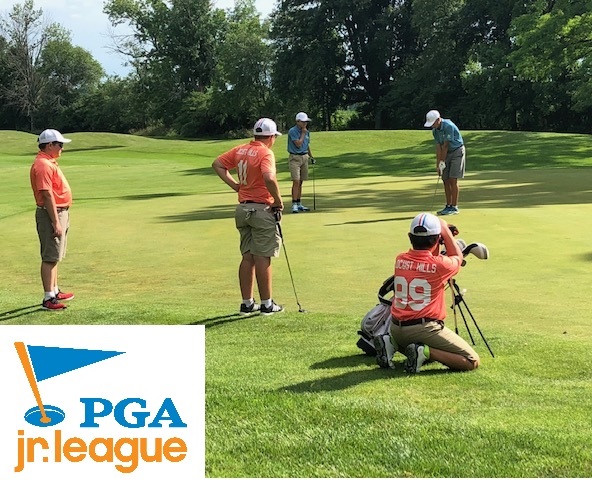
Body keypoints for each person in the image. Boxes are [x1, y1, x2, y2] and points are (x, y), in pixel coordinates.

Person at [387, 212, 480, 373]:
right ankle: (424, 351)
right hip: (424, 329)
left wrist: (439, 236)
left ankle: (391, 343)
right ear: (437, 239)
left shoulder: (400, 259)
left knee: (419, 347)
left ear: (410, 237)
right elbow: (456, 257)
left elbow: (428, 261)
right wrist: (445, 231)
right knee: (471, 361)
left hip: (396, 329)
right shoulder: (440, 265)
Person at [212, 118, 285, 316]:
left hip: (243, 210)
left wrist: (236, 186)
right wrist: (278, 201)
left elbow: (217, 164)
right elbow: (269, 177)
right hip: (261, 209)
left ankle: (247, 303)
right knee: (262, 256)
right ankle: (267, 305)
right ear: (271, 137)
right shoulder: (266, 153)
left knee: (247, 257)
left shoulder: (241, 149)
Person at [30, 129, 75, 310]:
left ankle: (55, 290)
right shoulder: (43, 165)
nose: (62, 148)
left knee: (55, 255)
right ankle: (48, 298)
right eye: (60, 145)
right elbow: (46, 194)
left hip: (59, 211)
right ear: (50, 145)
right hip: (51, 213)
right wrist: (55, 221)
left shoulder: (48, 162)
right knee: (49, 256)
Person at [424, 110, 465, 215]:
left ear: (438, 119)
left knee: (452, 179)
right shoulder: (435, 131)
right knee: (445, 179)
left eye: (433, 123)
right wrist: (438, 165)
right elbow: (439, 147)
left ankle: (454, 207)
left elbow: (446, 145)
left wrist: (442, 161)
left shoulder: (448, 126)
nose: (432, 126)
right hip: (446, 153)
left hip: (457, 151)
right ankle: (448, 205)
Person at [287, 111, 314, 213]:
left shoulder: (307, 132)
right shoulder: (292, 131)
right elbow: (298, 144)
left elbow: (306, 145)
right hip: (295, 157)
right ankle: (294, 204)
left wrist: (311, 156)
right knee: (296, 181)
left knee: (301, 181)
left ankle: (299, 203)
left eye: (306, 122)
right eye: (303, 122)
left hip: (304, 157)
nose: (305, 123)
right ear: (297, 121)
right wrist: (303, 133)